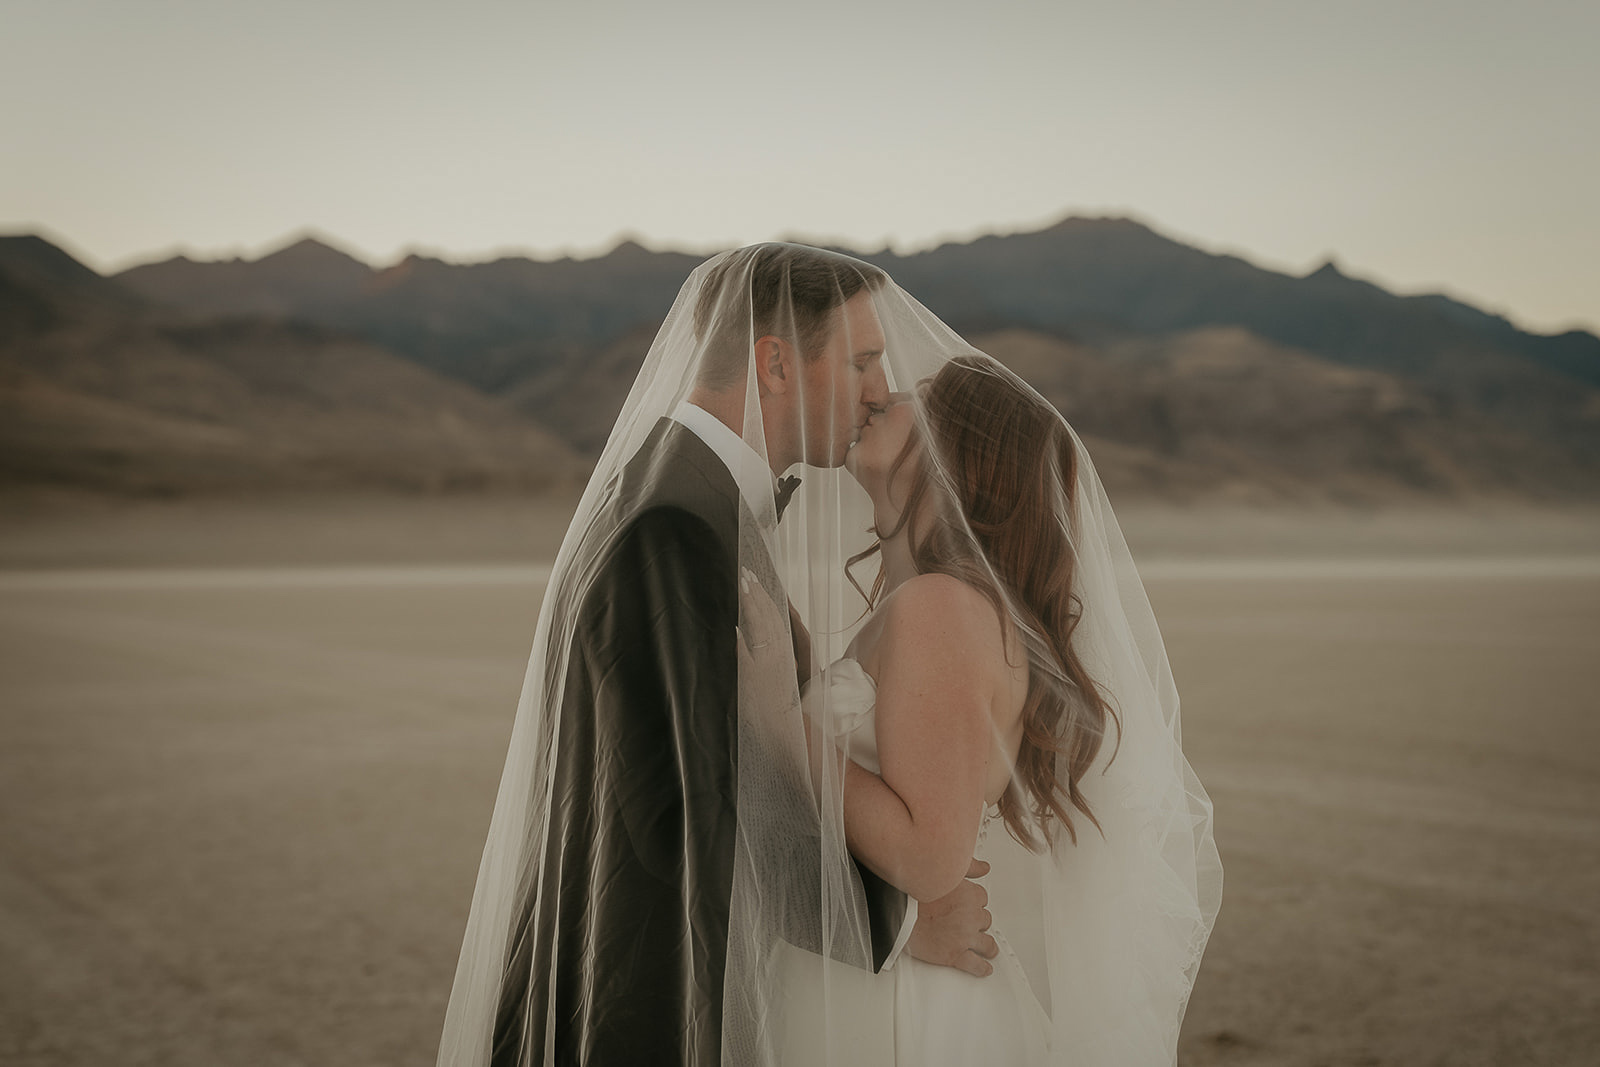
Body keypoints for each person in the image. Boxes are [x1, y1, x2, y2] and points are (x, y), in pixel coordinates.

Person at [436, 245, 999, 1067]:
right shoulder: (674, 528)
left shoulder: (692, 500)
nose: (881, 389)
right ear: (774, 363)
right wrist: (902, 920)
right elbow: (687, 809)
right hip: (646, 1003)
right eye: (863, 360)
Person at [740, 355, 1223, 1064]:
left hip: (904, 1014)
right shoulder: (929, 605)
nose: (881, 396)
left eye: (917, 398)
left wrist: (781, 720)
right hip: (868, 977)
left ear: (962, 453)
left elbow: (931, 856)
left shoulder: (942, 608)